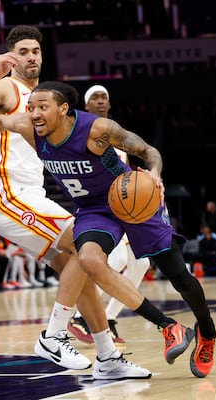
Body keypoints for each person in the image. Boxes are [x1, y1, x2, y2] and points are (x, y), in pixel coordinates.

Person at [0, 80, 216, 378]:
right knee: (87, 258)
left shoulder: (97, 130)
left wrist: (154, 175)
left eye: (42, 107)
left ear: (64, 109)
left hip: (131, 199)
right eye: (31, 107)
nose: (34, 113)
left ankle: (207, 332)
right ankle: (168, 327)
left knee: (180, 277)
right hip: (93, 209)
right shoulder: (30, 128)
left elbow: (147, 150)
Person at [0, 25, 162, 380]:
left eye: (36, 50)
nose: (31, 56)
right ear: (10, 55)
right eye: (23, 51)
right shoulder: (7, 86)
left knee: (77, 269)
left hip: (32, 193)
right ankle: (53, 336)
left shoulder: (42, 98)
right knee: (89, 247)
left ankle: (107, 356)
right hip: (7, 193)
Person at [69, 84, 151, 344]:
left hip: (122, 207)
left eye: (104, 97)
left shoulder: (116, 134)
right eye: (95, 97)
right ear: (86, 106)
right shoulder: (83, 132)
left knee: (141, 263)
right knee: (112, 263)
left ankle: (109, 318)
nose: (101, 101)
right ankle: (73, 314)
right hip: (99, 209)